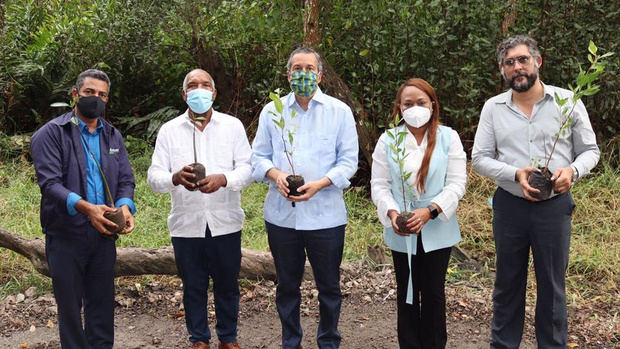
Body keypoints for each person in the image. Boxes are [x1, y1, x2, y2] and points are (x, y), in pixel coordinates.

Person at [471, 35, 600, 348]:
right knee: (507, 285)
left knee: (553, 287)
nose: (517, 67)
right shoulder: (493, 109)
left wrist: (572, 170)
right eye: (509, 62)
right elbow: (479, 158)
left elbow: (590, 150)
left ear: (537, 62)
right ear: (502, 70)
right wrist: (515, 173)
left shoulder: (568, 101)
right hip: (510, 207)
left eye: (523, 59)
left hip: (553, 208)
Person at [251, 47, 358, 349]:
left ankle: (328, 341)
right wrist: (276, 176)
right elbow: (257, 157)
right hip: (282, 217)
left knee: (329, 288)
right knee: (287, 287)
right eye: (297, 68)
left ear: (320, 74)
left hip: (326, 217)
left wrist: (321, 183)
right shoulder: (273, 111)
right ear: (288, 74)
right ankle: (291, 341)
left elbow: (349, 161)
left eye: (310, 68)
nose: (303, 74)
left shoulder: (339, 112)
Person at [30, 68, 136, 348]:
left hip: (104, 235)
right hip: (66, 235)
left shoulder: (112, 136)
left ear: (107, 100)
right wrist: (87, 209)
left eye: (102, 95)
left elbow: (126, 179)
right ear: (75, 94)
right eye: (89, 93)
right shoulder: (51, 134)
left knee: (102, 306)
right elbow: (50, 184)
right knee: (70, 310)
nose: (96, 99)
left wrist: (125, 207)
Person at [147, 69, 252, 349]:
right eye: (192, 85)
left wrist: (224, 179)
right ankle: (199, 339)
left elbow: (247, 168)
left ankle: (228, 338)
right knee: (193, 285)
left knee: (227, 284)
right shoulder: (169, 131)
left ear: (214, 93)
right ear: (184, 95)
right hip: (186, 223)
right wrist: (174, 178)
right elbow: (154, 177)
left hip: (225, 221)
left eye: (206, 84)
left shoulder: (232, 126)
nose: (199, 89)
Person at [370, 78, 466, 348]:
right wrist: (392, 214)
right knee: (407, 292)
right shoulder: (389, 139)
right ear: (399, 108)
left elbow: (457, 184)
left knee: (434, 293)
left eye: (421, 102)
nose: (415, 108)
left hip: (438, 226)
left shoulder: (449, 137)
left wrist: (430, 210)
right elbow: (379, 184)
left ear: (432, 105)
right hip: (401, 228)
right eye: (408, 103)